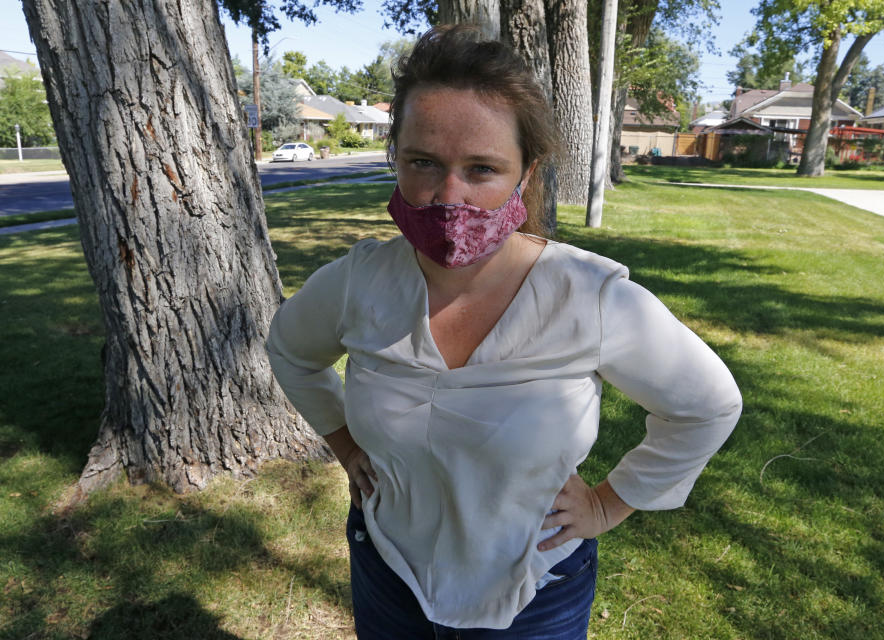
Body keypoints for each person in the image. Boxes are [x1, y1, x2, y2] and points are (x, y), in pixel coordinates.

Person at [266, 25, 742, 639]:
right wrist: (347, 446)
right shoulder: (360, 283)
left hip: (536, 589)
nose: (447, 195)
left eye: (482, 168)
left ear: (526, 171)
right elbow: (291, 352)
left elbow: (706, 406)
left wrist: (608, 502)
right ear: (396, 158)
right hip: (389, 573)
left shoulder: (587, 296)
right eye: (422, 163)